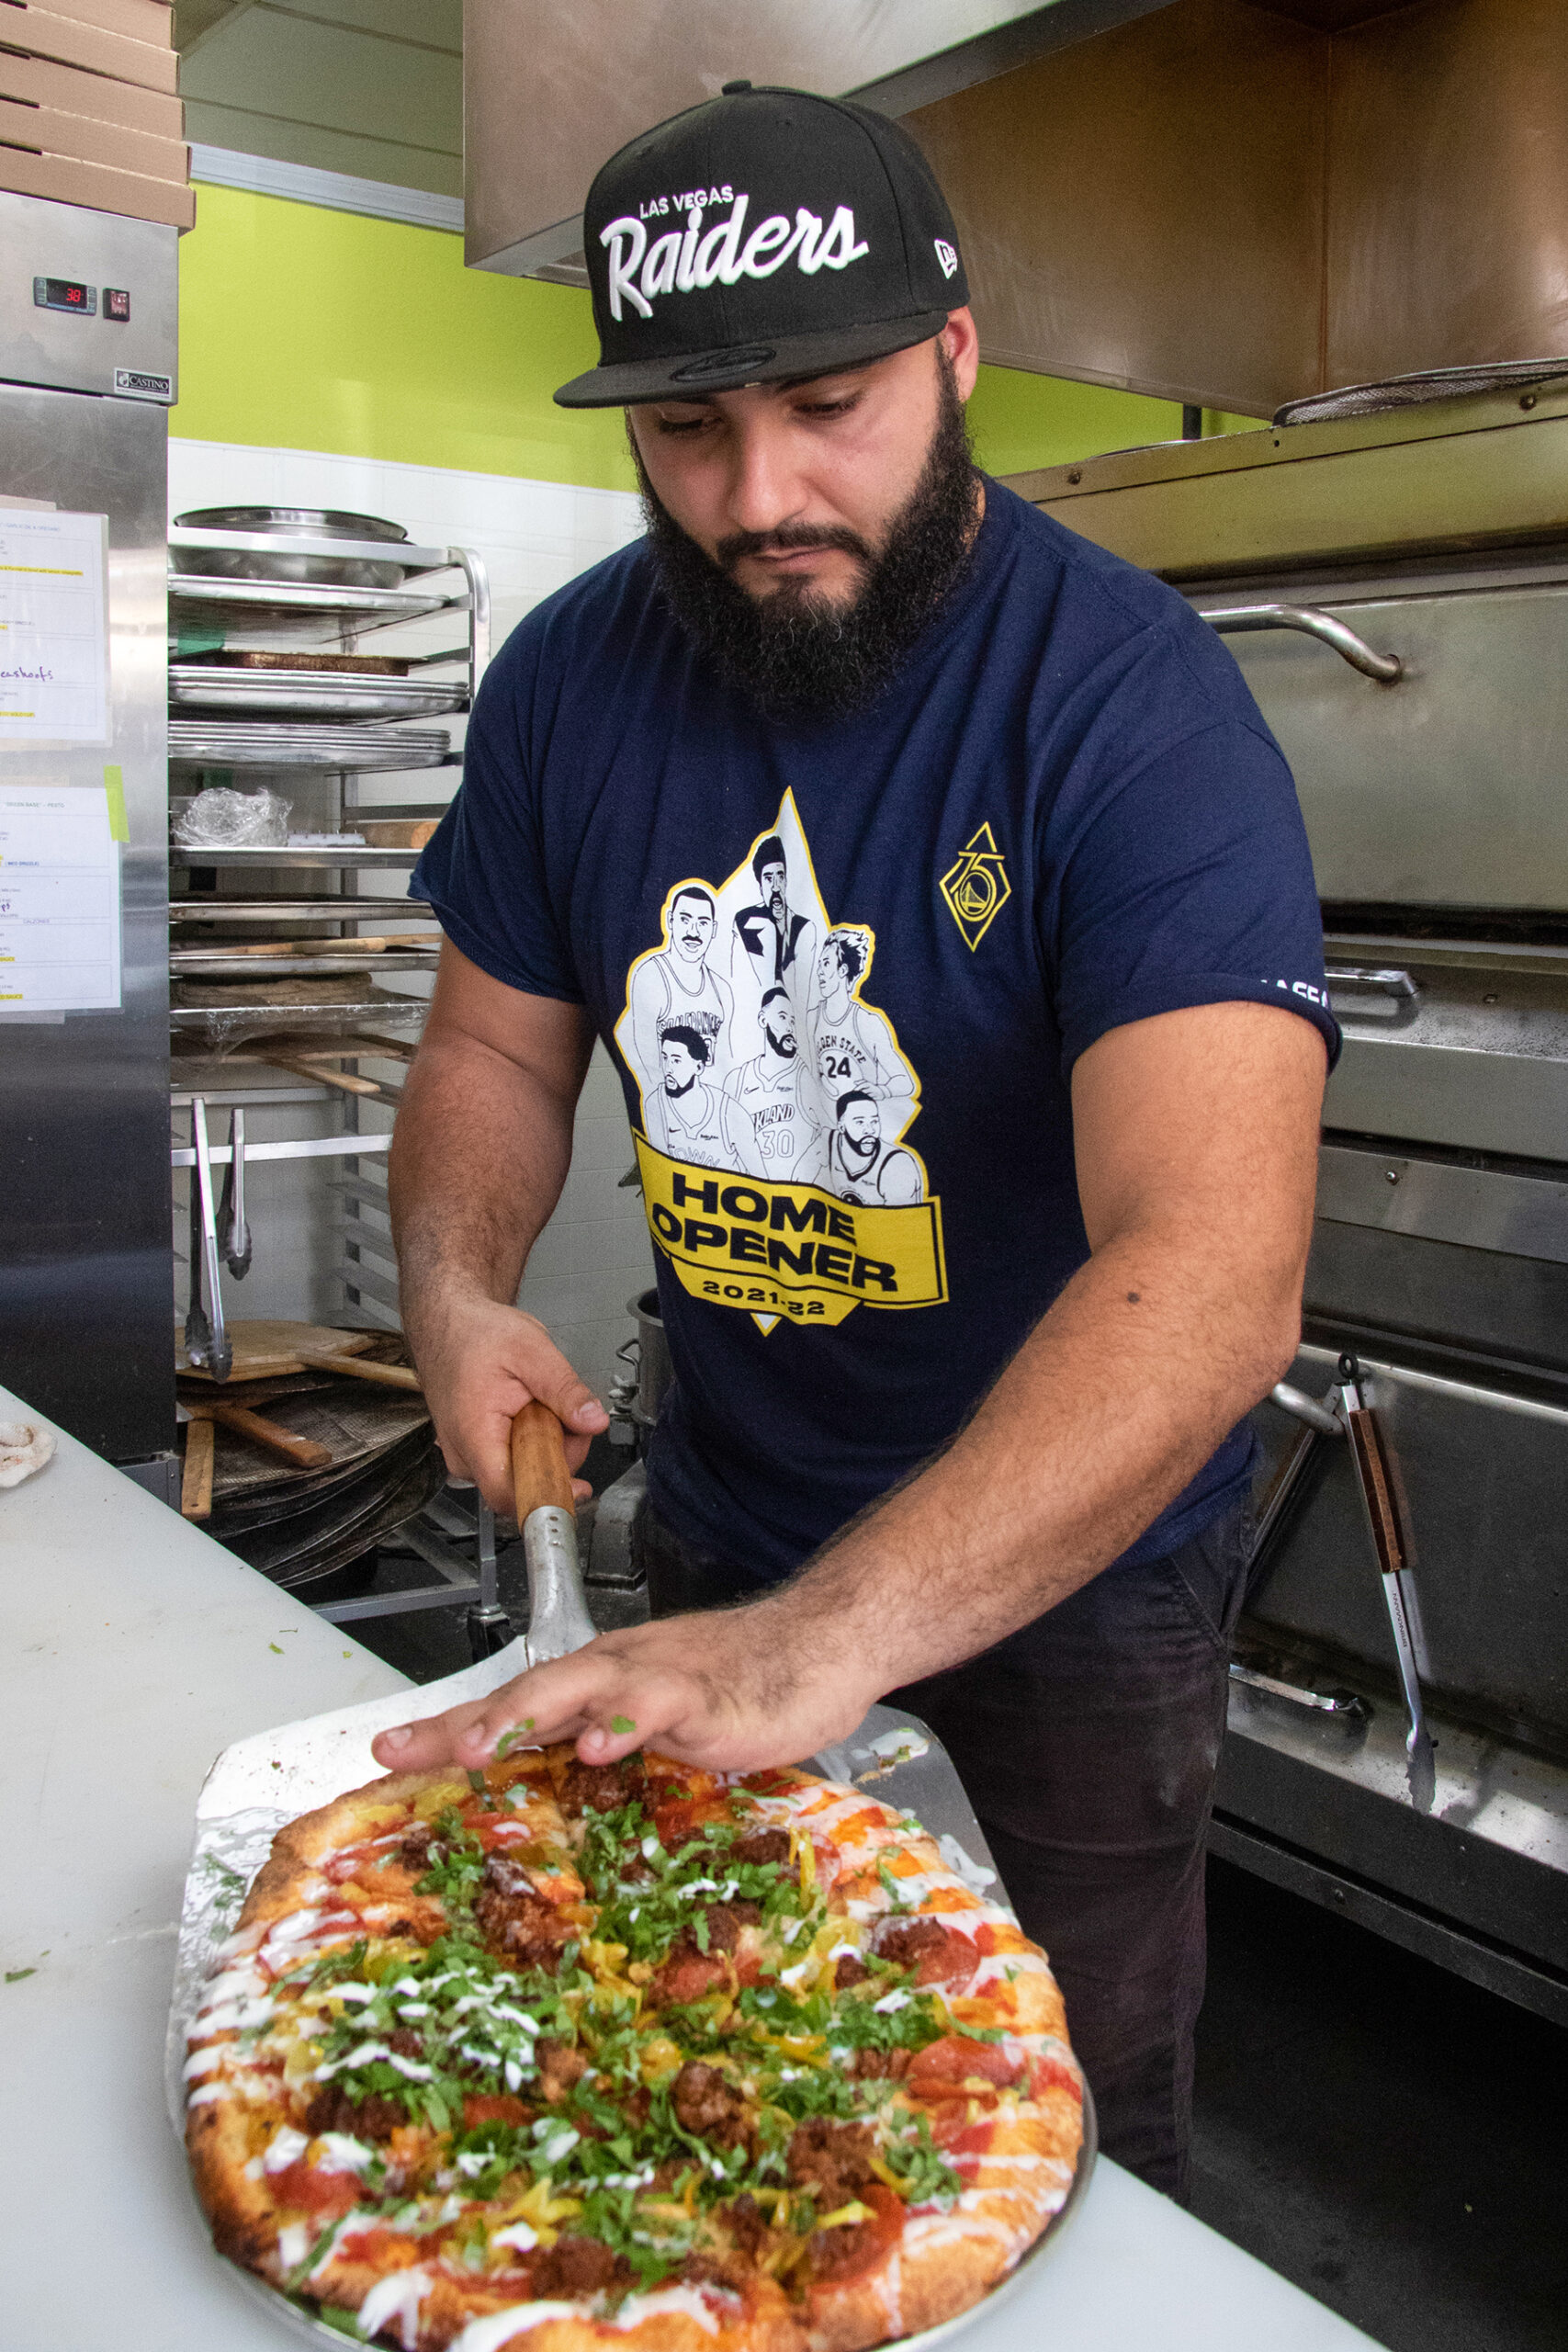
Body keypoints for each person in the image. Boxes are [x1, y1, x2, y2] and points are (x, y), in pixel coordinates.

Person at [373, 83, 1334, 2200]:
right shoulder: (565, 683)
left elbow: (1208, 1263)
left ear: (955, 357)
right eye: (684, 431)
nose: (758, 492)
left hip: (1063, 1597)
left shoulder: (1126, 705)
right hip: (721, 1522)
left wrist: (837, 1633)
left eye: (825, 405)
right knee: (716, 2076)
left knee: (1039, 2141)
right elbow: (491, 1048)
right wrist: (449, 1290)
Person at [624, 881, 734, 1110]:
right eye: (685, 920)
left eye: (702, 923)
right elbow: (646, 1064)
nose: (693, 932)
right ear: (670, 921)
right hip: (668, 1110)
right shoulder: (652, 975)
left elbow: (727, 1063)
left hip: (712, 1110)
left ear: (713, 929)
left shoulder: (722, 990)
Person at [729, 833, 818, 1033]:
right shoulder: (744, 921)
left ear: (787, 881)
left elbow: (800, 998)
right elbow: (738, 983)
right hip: (751, 1025)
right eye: (768, 878)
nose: (776, 886)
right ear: (760, 886)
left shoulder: (803, 928)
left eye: (780, 876)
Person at [648, 1023, 764, 1175]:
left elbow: (763, 1179)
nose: (668, 1068)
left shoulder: (728, 1112)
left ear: (698, 1068)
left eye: (676, 1061)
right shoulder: (655, 1102)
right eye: (665, 1058)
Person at [721, 985, 811, 1176]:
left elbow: (828, 1140)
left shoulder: (804, 1077)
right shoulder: (738, 1079)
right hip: (749, 1193)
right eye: (782, 1016)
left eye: (793, 1021)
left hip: (796, 1194)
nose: (789, 1026)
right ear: (763, 1020)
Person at [803, 1087, 924, 1206]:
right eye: (860, 1122)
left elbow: (900, 1222)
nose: (870, 1130)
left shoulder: (897, 1163)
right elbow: (797, 1182)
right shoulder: (827, 1140)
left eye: (874, 1121)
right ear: (841, 1127)